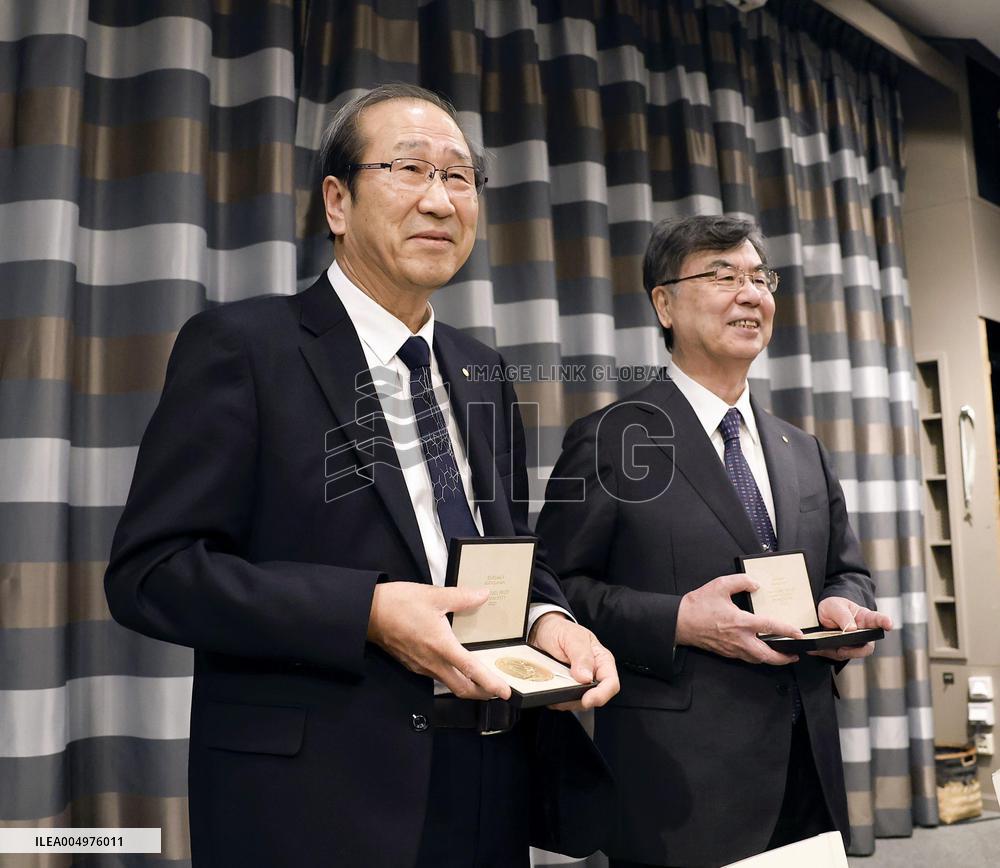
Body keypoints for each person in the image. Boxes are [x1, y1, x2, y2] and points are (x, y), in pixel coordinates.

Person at [105, 83, 618, 868]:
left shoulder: (482, 371)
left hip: (487, 782)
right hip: (313, 800)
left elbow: (511, 555)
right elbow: (152, 574)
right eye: (411, 169)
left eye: (460, 178)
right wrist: (366, 611)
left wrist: (551, 621)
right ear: (337, 203)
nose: (441, 202)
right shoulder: (243, 348)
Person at [536, 215, 892, 867]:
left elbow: (847, 571)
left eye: (760, 277)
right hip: (679, 784)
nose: (749, 293)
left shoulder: (800, 448)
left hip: (807, 764)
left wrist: (842, 607)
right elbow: (552, 594)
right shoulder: (614, 437)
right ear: (663, 302)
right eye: (722, 276)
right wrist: (679, 621)